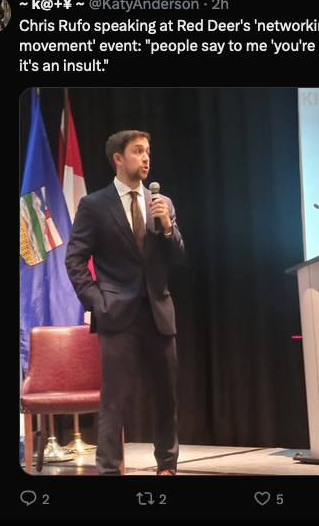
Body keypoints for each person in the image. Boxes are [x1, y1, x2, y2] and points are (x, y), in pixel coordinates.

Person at [66, 130, 185, 475]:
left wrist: (166, 227)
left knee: (166, 397)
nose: (146, 158)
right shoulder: (94, 205)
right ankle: (107, 469)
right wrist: (96, 301)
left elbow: (178, 257)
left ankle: (167, 466)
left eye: (148, 151)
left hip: (159, 312)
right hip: (116, 314)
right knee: (114, 400)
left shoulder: (162, 203)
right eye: (138, 151)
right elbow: (74, 261)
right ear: (118, 158)